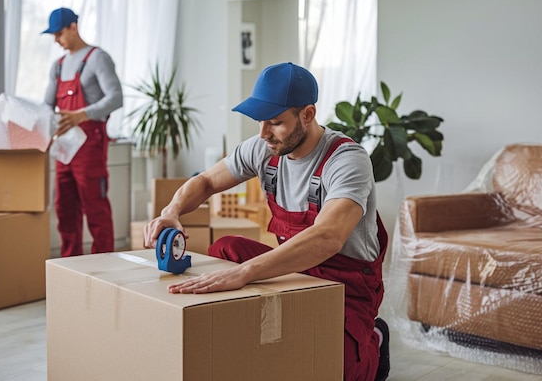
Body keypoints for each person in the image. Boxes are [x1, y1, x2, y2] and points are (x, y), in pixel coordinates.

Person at [143, 62, 390, 380]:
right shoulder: (265, 147)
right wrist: (170, 212)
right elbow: (205, 181)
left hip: (347, 286)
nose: (263, 134)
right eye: (261, 122)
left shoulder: (347, 160)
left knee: (332, 366)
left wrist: (245, 273)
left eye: (275, 123)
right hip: (296, 268)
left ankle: (374, 338)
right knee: (225, 248)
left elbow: (328, 236)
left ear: (307, 115)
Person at [42, 7, 123, 257]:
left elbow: (116, 97)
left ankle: (104, 265)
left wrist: (81, 115)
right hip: (65, 149)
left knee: (95, 209)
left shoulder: (98, 58)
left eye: (58, 33)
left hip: (90, 147)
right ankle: (69, 267)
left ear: (73, 27)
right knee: (64, 209)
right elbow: (46, 105)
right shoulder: (58, 66)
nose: (56, 39)